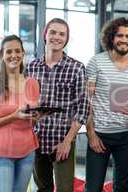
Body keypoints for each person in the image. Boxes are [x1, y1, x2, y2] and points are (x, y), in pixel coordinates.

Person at [85, 17, 128, 192]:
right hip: (100, 135)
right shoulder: (96, 62)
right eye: (120, 35)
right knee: (93, 187)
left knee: (122, 187)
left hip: (127, 137)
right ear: (111, 38)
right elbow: (86, 101)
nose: (124, 40)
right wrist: (91, 134)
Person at [26, 18, 89, 192]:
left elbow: (82, 108)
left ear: (66, 39)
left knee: (64, 189)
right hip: (36, 140)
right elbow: (24, 104)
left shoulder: (76, 68)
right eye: (53, 32)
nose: (57, 37)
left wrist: (68, 141)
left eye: (62, 34)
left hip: (63, 140)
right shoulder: (31, 67)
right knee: (42, 188)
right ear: (45, 34)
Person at [0, 34, 40, 192]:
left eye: (18, 51)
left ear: (23, 53)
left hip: (27, 151)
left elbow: (31, 122)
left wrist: (36, 117)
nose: (14, 55)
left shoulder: (32, 83)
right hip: (1, 153)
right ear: (2, 55)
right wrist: (13, 116)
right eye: (9, 51)